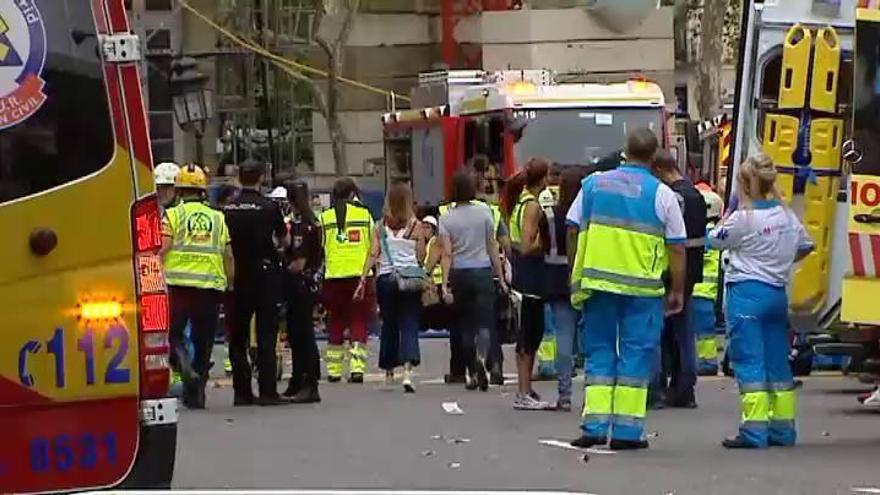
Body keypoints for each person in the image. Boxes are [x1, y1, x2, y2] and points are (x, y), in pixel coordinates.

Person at [568, 128, 687, 450]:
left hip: (598, 282)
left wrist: (575, 269)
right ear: (655, 155)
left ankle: (594, 425)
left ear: (625, 151)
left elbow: (573, 227)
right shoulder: (662, 194)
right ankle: (626, 432)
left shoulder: (593, 185)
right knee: (636, 357)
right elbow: (677, 246)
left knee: (599, 353)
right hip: (642, 289)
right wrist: (677, 290)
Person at [707, 154, 813, 449]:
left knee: (749, 362)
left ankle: (754, 431)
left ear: (744, 184)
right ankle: (783, 429)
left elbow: (714, 239)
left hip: (747, 295)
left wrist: (732, 211)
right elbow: (807, 245)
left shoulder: (743, 219)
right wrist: (782, 260)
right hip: (777, 293)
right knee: (778, 363)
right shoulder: (786, 216)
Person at [160, 164, 234, 409]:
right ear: (203, 190)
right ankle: (197, 394)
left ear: (179, 190)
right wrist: (230, 282)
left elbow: (163, 248)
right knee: (204, 342)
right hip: (210, 286)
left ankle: (184, 365)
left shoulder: (173, 215)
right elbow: (228, 254)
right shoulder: (218, 218)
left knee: (173, 335)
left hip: (178, 284)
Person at [427, 171, 507, 391]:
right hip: (483, 271)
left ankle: (471, 370)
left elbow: (446, 253)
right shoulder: (485, 212)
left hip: (460, 274)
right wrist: (500, 277)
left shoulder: (446, 218)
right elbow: (492, 246)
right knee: (485, 321)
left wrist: (444, 284)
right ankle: (484, 358)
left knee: (464, 324)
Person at [224, 160, 289, 406]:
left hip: (238, 275)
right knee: (266, 334)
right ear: (261, 177)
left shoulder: (229, 208)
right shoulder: (269, 207)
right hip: (264, 273)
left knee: (238, 336)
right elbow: (283, 240)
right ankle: (267, 390)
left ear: (239, 178)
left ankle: (242, 391)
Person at [650, 150, 707, 409]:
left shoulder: (673, 197)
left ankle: (668, 386)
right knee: (683, 332)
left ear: (660, 170)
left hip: (673, 271)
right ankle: (685, 387)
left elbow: (673, 240)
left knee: (666, 333)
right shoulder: (696, 195)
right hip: (692, 270)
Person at [357, 181, 427, 393]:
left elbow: (373, 254)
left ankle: (388, 370)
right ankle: (407, 371)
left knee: (388, 324)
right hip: (409, 281)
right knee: (409, 323)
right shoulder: (416, 226)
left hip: (386, 279)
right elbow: (420, 256)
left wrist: (363, 278)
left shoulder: (380, 226)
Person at [503, 158, 550, 410]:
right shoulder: (531, 206)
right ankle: (523, 391)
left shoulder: (520, 202)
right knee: (530, 335)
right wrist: (544, 242)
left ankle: (526, 388)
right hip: (531, 275)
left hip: (523, 274)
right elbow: (526, 244)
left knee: (529, 334)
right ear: (542, 179)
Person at [543, 166, 589, 412]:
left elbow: (541, 245)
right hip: (585, 276)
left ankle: (564, 394)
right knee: (592, 337)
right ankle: (593, 393)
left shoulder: (550, 215)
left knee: (563, 335)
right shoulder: (588, 215)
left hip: (556, 279)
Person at [320, 178, 375, 383]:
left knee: (335, 322)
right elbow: (373, 246)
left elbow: (321, 247)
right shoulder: (364, 216)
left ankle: (334, 370)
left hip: (333, 277)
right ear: (353, 195)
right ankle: (357, 368)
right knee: (358, 321)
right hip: (360, 277)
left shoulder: (325, 218)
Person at [281, 181, 323, 403]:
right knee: (297, 334)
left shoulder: (301, 225)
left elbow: (299, 262)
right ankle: (297, 380)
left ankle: (309, 383)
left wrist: (281, 268)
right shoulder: (313, 221)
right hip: (309, 283)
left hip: (300, 284)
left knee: (303, 335)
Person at [693, 188, 724, 376]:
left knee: (696, 332)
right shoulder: (718, 233)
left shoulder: (699, 232)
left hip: (695, 290)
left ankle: (705, 362)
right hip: (709, 293)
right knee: (706, 332)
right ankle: (709, 360)